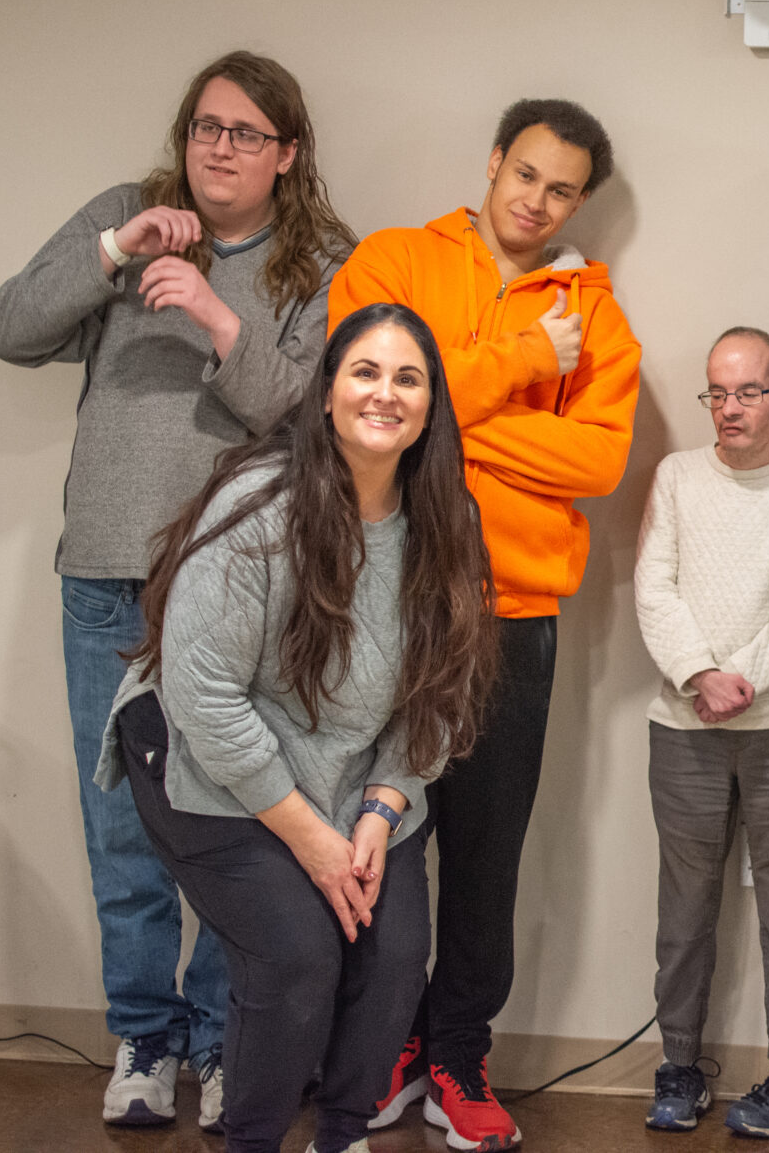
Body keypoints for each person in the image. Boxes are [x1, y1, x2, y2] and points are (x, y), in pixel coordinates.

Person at [0, 50, 353, 1130]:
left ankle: (223, 1037)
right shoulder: (126, 216)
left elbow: (317, 422)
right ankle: (144, 1037)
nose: (218, 148)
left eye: (245, 133)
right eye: (204, 127)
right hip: (105, 572)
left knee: (233, 826)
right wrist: (115, 252)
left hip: (242, 590)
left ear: (287, 155)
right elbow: (12, 330)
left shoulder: (322, 261)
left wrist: (216, 318)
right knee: (124, 830)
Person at [94, 303, 496, 1153]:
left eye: (407, 377)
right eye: (364, 371)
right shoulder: (259, 508)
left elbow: (440, 693)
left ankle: (341, 1133)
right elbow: (204, 695)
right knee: (301, 954)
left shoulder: (448, 522)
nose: (384, 393)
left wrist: (384, 808)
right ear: (324, 394)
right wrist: (314, 839)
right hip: (204, 764)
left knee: (391, 961)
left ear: (431, 407)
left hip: (354, 779)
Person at [329, 99, 641, 1151]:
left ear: (580, 200)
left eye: (561, 190)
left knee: (483, 851)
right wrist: (513, 366)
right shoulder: (392, 262)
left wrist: (444, 422)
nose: (537, 202)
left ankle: (455, 1054)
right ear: (494, 163)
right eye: (526, 176)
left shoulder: (594, 315)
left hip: (513, 614)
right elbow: (359, 403)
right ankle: (375, 1050)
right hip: (381, 598)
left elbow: (594, 462)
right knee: (371, 839)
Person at [633, 326, 769, 1139]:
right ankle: (679, 1060)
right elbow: (653, 584)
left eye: (748, 391)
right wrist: (699, 676)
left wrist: (743, 679)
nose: (729, 408)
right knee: (684, 906)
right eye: (717, 391)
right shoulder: (677, 476)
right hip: (683, 723)